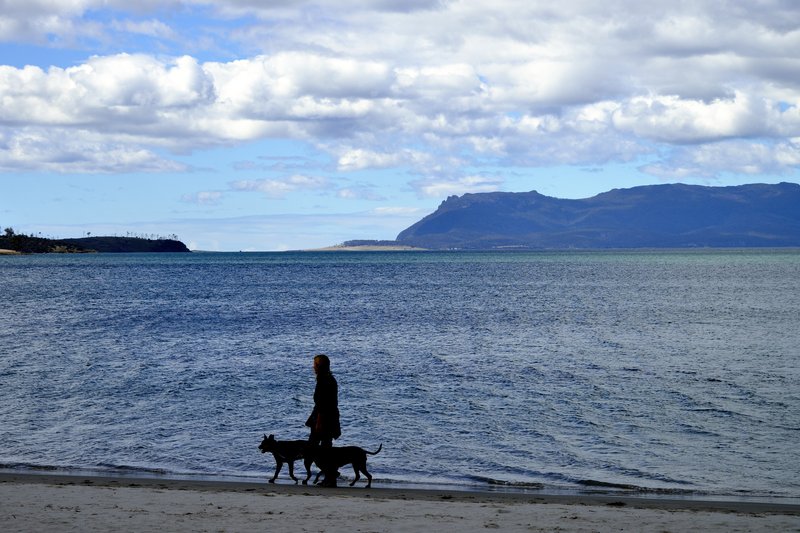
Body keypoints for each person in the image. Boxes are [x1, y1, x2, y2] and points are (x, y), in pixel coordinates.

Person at [305, 354, 341, 486]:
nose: (313, 367)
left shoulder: (324, 380)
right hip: (329, 417)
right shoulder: (329, 379)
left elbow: (322, 403)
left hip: (324, 418)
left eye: (315, 364)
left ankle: (330, 474)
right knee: (325, 448)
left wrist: (319, 420)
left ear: (319, 366)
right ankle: (330, 475)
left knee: (313, 449)